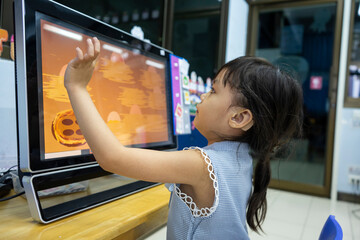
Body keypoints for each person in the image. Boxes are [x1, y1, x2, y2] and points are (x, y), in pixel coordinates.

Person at [64, 37, 303, 239]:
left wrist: (77, 87)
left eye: (213, 91)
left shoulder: (200, 164)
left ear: (239, 118)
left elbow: (112, 158)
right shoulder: (241, 159)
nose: (202, 96)